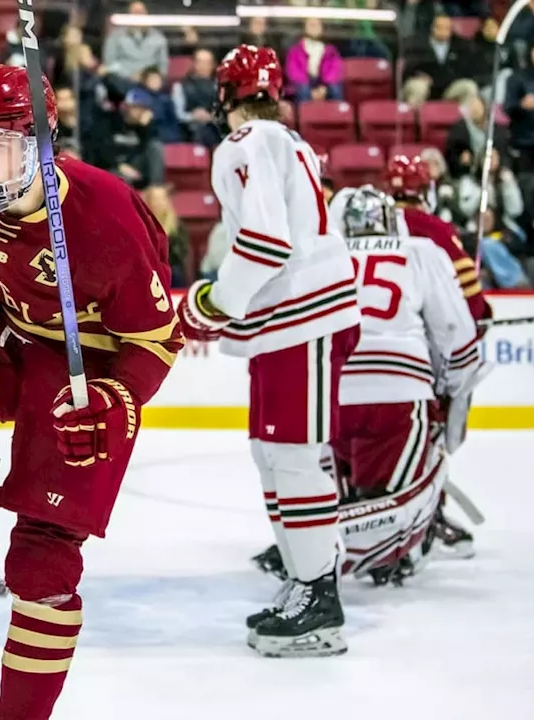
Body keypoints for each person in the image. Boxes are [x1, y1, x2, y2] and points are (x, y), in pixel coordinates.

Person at [0, 64, 183, 720]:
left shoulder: (105, 213)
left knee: (42, 571)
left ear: (42, 147)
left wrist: (121, 400)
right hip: (19, 347)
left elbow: (159, 336)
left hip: (92, 379)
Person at [176, 45, 360, 658]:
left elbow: (264, 240)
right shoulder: (289, 141)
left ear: (224, 95)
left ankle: (317, 597)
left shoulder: (245, 143)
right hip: (292, 319)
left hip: (300, 316)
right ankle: (304, 580)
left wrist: (215, 302)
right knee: (274, 453)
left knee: (295, 456)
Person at [330, 186, 484, 586]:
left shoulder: (321, 257)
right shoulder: (420, 252)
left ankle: (318, 546)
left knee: (350, 485)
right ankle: (398, 546)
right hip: (400, 392)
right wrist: (451, 386)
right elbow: (456, 333)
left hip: (332, 395)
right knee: (407, 478)